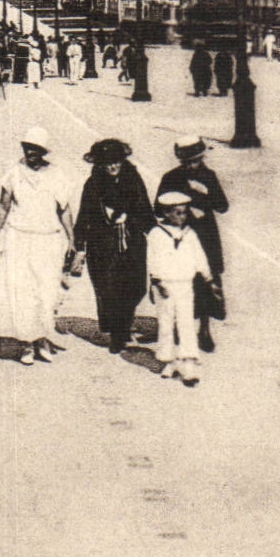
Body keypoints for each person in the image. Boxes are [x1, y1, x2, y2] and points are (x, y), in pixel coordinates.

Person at [0, 127, 76, 358]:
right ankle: (26, 343)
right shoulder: (14, 173)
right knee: (22, 292)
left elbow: (64, 209)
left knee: (46, 292)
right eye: (27, 148)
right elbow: (3, 206)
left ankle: (42, 339)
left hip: (48, 240)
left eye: (35, 149)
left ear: (43, 151)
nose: (30, 152)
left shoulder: (56, 175)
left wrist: (71, 239)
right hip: (19, 237)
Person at [72, 139, 155, 354]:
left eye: (116, 161)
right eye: (107, 163)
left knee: (136, 287)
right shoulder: (93, 185)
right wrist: (80, 245)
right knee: (109, 289)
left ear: (122, 161)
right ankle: (119, 334)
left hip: (132, 243)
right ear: (99, 164)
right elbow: (84, 216)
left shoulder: (134, 181)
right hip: (102, 245)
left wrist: (150, 231)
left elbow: (146, 211)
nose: (112, 166)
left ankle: (123, 325)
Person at [156, 137, 231, 354]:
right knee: (181, 279)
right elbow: (157, 208)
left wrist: (202, 195)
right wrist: (182, 210)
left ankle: (205, 329)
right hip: (179, 236)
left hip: (205, 234)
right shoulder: (170, 178)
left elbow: (222, 206)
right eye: (187, 162)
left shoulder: (208, 176)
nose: (191, 165)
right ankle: (182, 324)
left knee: (206, 280)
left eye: (195, 161)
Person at [147, 191, 213, 386]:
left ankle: (189, 364)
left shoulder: (190, 234)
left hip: (185, 285)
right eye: (177, 213)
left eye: (184, 213)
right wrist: (157, 282)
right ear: (166, 213)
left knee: (186, 323)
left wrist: (208, 278)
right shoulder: (156, 234)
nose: (182, 217)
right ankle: (169, 361)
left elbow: (200, 257)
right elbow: (152, 260)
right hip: (165, 286)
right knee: (166, 323)